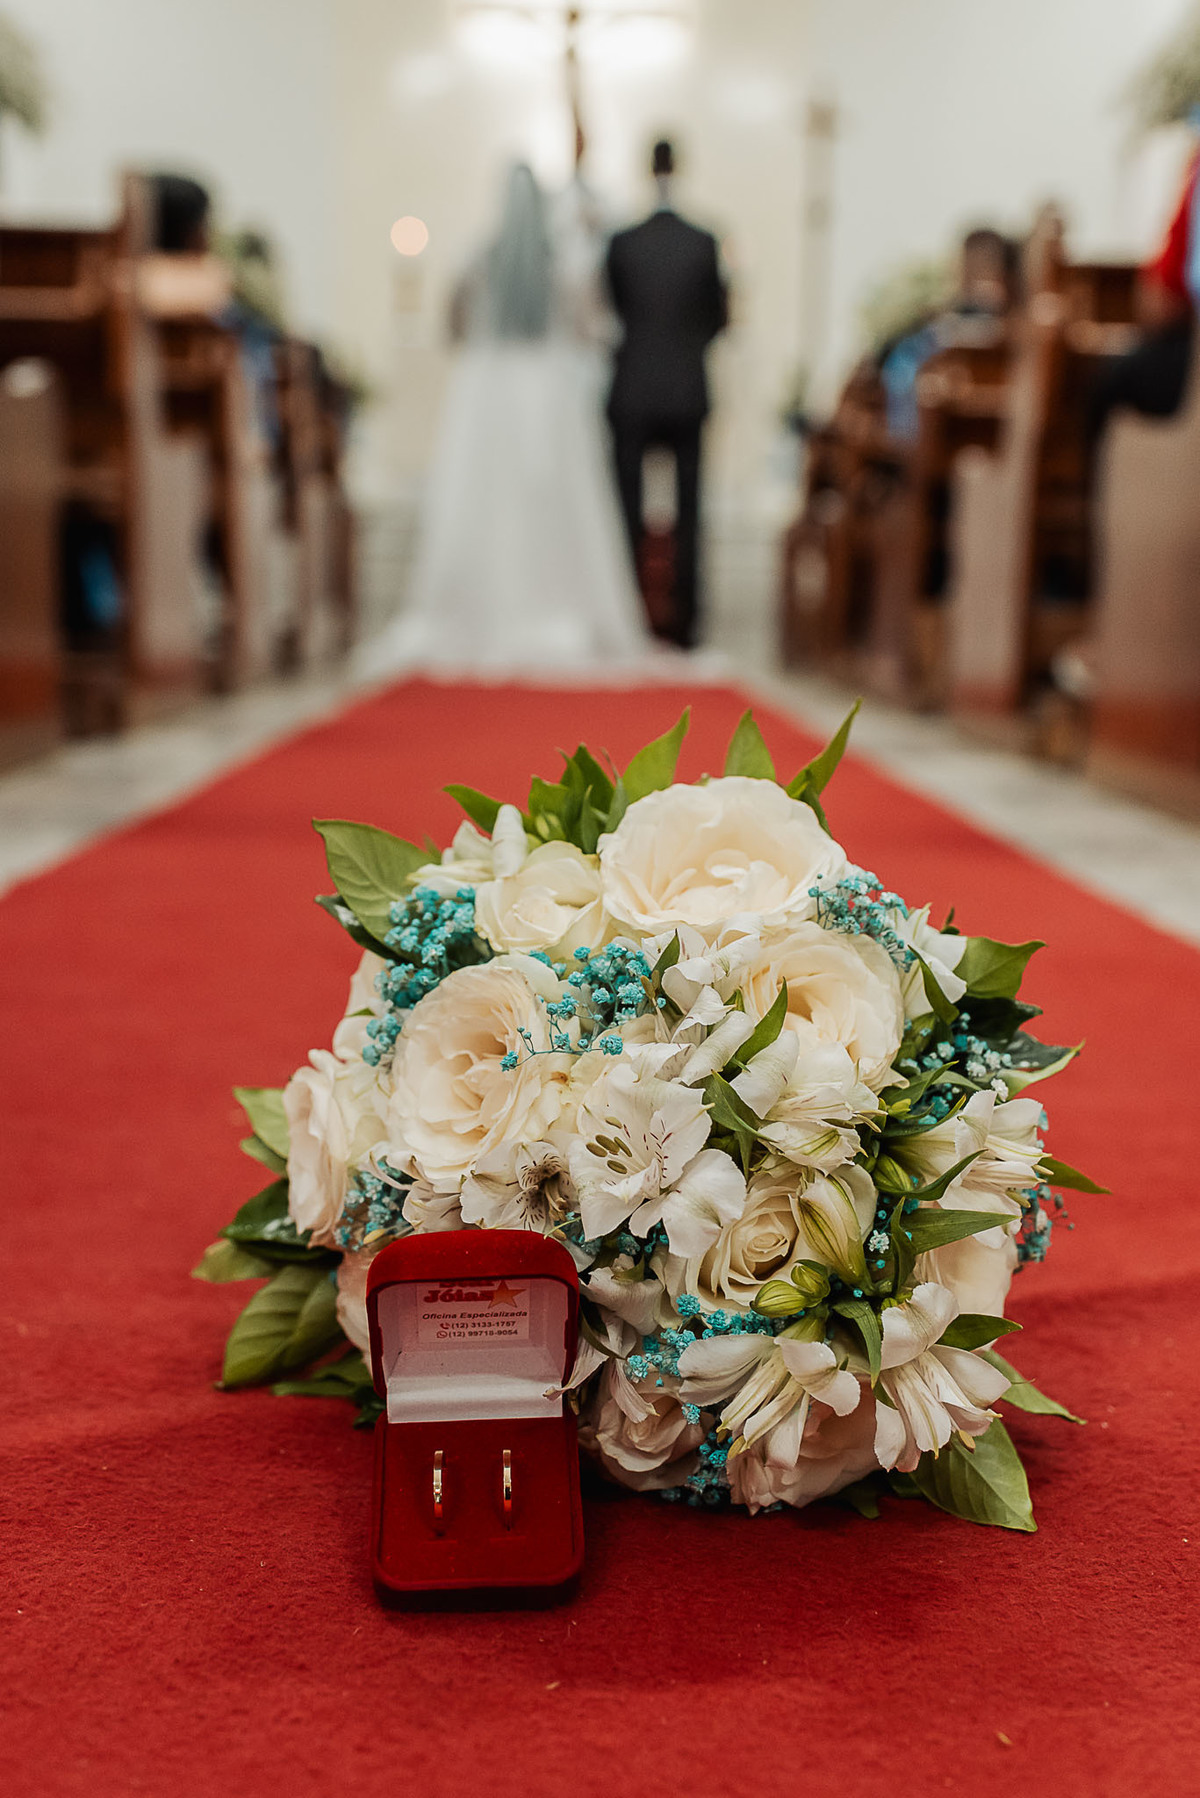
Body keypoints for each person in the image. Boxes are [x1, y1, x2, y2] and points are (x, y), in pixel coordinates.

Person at [375, 161, 649, 674]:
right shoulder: (564, 262)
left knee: (486, 500)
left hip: (488, 392)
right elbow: (592, 331)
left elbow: (452, 327)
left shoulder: (476, 257)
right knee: (549, 505)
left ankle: (479, 612)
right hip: (547, 395)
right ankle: (555, 605)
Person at [605, 140, 728, 648]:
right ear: (680, 167)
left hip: (632, 386)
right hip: (686, 388)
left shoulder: (622, 242)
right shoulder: (703, 241)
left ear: (644, 169)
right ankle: (686, 623)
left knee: (626, 508)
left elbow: (613, 312)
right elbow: (719, 317)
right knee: (690, 509)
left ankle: (627, 612)